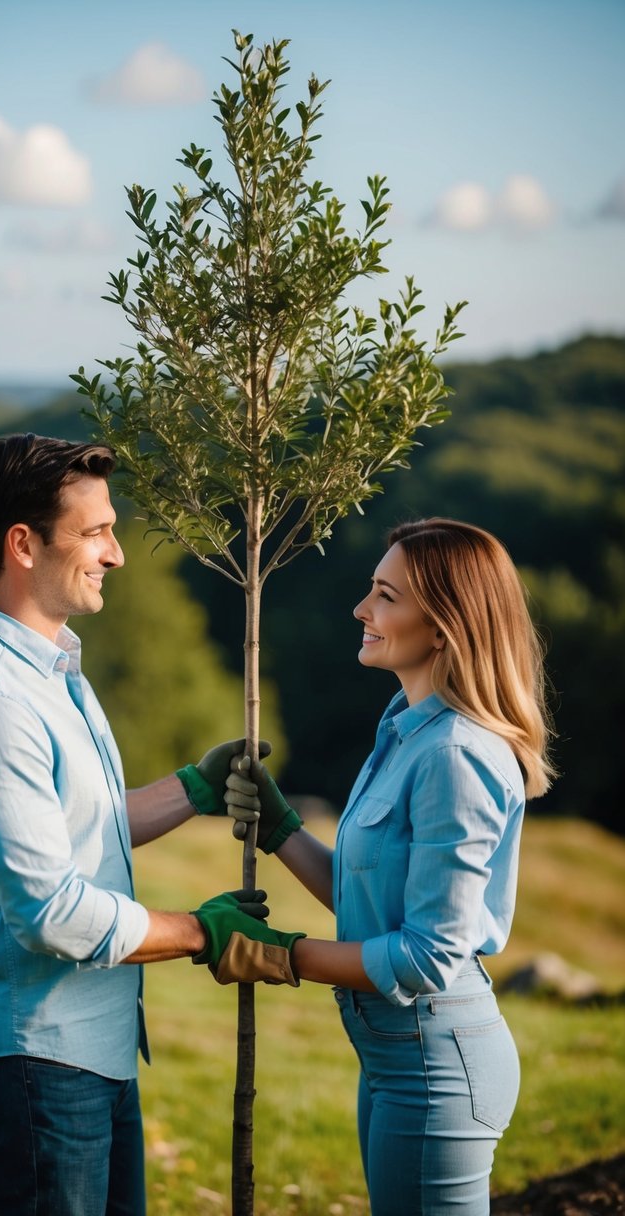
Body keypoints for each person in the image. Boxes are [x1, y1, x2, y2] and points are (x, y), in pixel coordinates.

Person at [0, 432, 277, 1216]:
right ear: (22, 544)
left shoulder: (52, 669)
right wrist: (202, 932)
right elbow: (50, 912)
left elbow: (81, 828)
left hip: (88, 1052)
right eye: (96, 532)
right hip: (33, 1059)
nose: (116, 553)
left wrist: (192, 789)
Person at [219, 518, 556, 1216]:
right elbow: (367, 898)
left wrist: (278, 955)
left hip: (435, 1063)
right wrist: (279, 828)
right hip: (391, 1059)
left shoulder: (454, 755)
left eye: (384, 595)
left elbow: (427, 956)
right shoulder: (403, 728)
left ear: (442, 628)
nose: (360, 610)